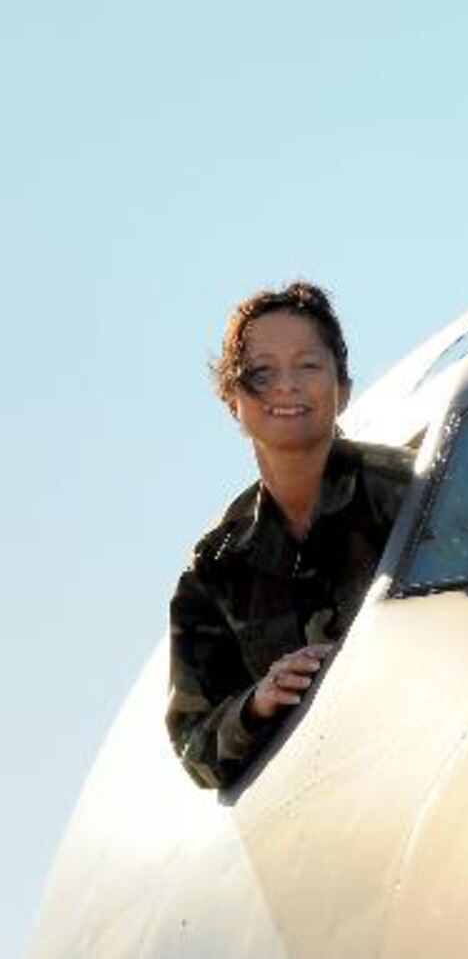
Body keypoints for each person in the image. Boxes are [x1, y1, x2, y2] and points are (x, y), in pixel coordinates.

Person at [166, 283, 414, 789]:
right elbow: (195, 747)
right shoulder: (218, 567)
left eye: (308, 366)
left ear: (342, 388)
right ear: (232, 401)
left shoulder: (414, 494)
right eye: (262, 372)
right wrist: (258, 702)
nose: (287, 386)